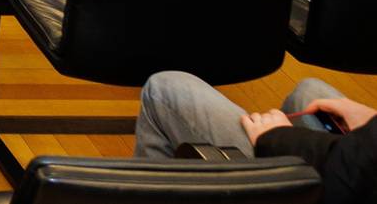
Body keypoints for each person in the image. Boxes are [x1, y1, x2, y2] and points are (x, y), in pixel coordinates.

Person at [134, 70, 377, 189]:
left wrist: (279, 138)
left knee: (164, 89)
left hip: (348, 183)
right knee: (310, 92)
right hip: (362, 161)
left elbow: (350, 173)